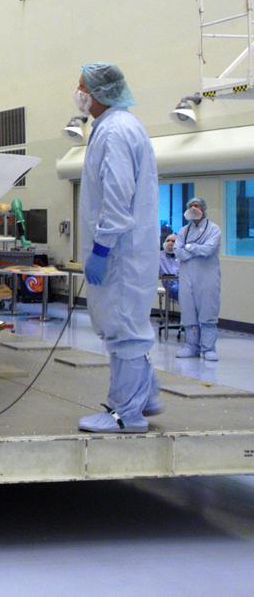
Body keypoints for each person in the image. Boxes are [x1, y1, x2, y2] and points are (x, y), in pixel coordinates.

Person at [75, 63, 161, 433]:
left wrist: (102, 248)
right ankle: (147, 396)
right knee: (126, 327)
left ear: (98, 92)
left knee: (123, 329)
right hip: (127, 250)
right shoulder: (117, 127)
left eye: (81, 87)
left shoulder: (114, 132)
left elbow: (116, 196)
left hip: (120, 254)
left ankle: (126, 414)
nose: (77, 93)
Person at [175, 196, 222, 361]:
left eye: (197, 206)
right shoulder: (183, 231)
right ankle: (191, 346)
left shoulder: (214, 229)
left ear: (203, 209)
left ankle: (208, 348)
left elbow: (208, 250)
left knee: (208, 310)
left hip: (207, 277)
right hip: (187, 277)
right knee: (188, 311)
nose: (194, 208)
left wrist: (189, 247)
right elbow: (177, 251)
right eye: (191, 206)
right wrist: (194, 249)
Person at [159, 234, 179, 302]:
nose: (170, 243)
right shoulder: (158, 256)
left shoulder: (181, 256)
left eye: (173, 241)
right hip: (169, 285)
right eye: (168, 240)